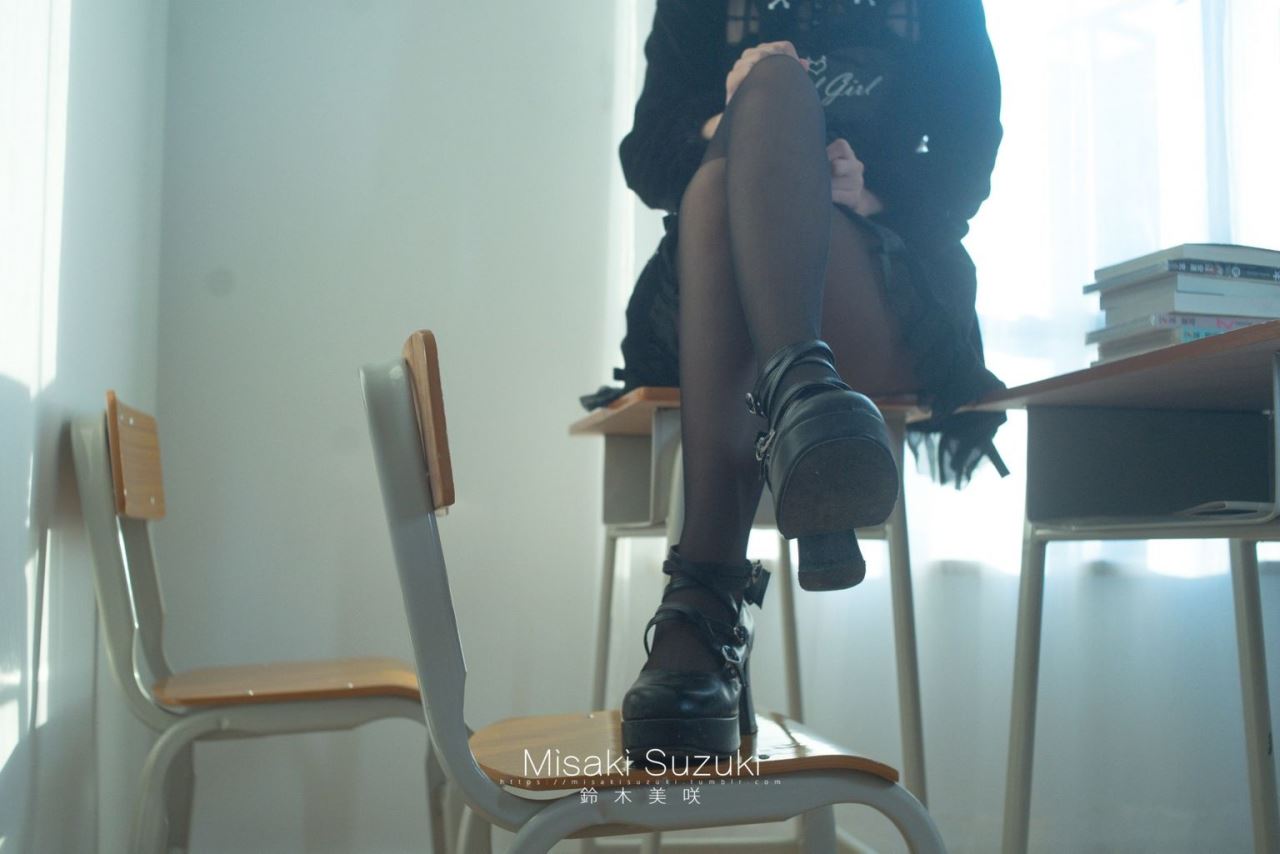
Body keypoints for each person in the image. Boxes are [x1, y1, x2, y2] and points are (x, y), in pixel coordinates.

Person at [578, 0, 1008, 761]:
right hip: (719, 287)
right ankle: (805, 397)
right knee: (761, 103)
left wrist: (871, 190)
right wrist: (736, 126)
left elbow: (969, 156)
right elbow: (645, 157)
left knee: (744, 148)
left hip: (875, 279)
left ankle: (703, 605)